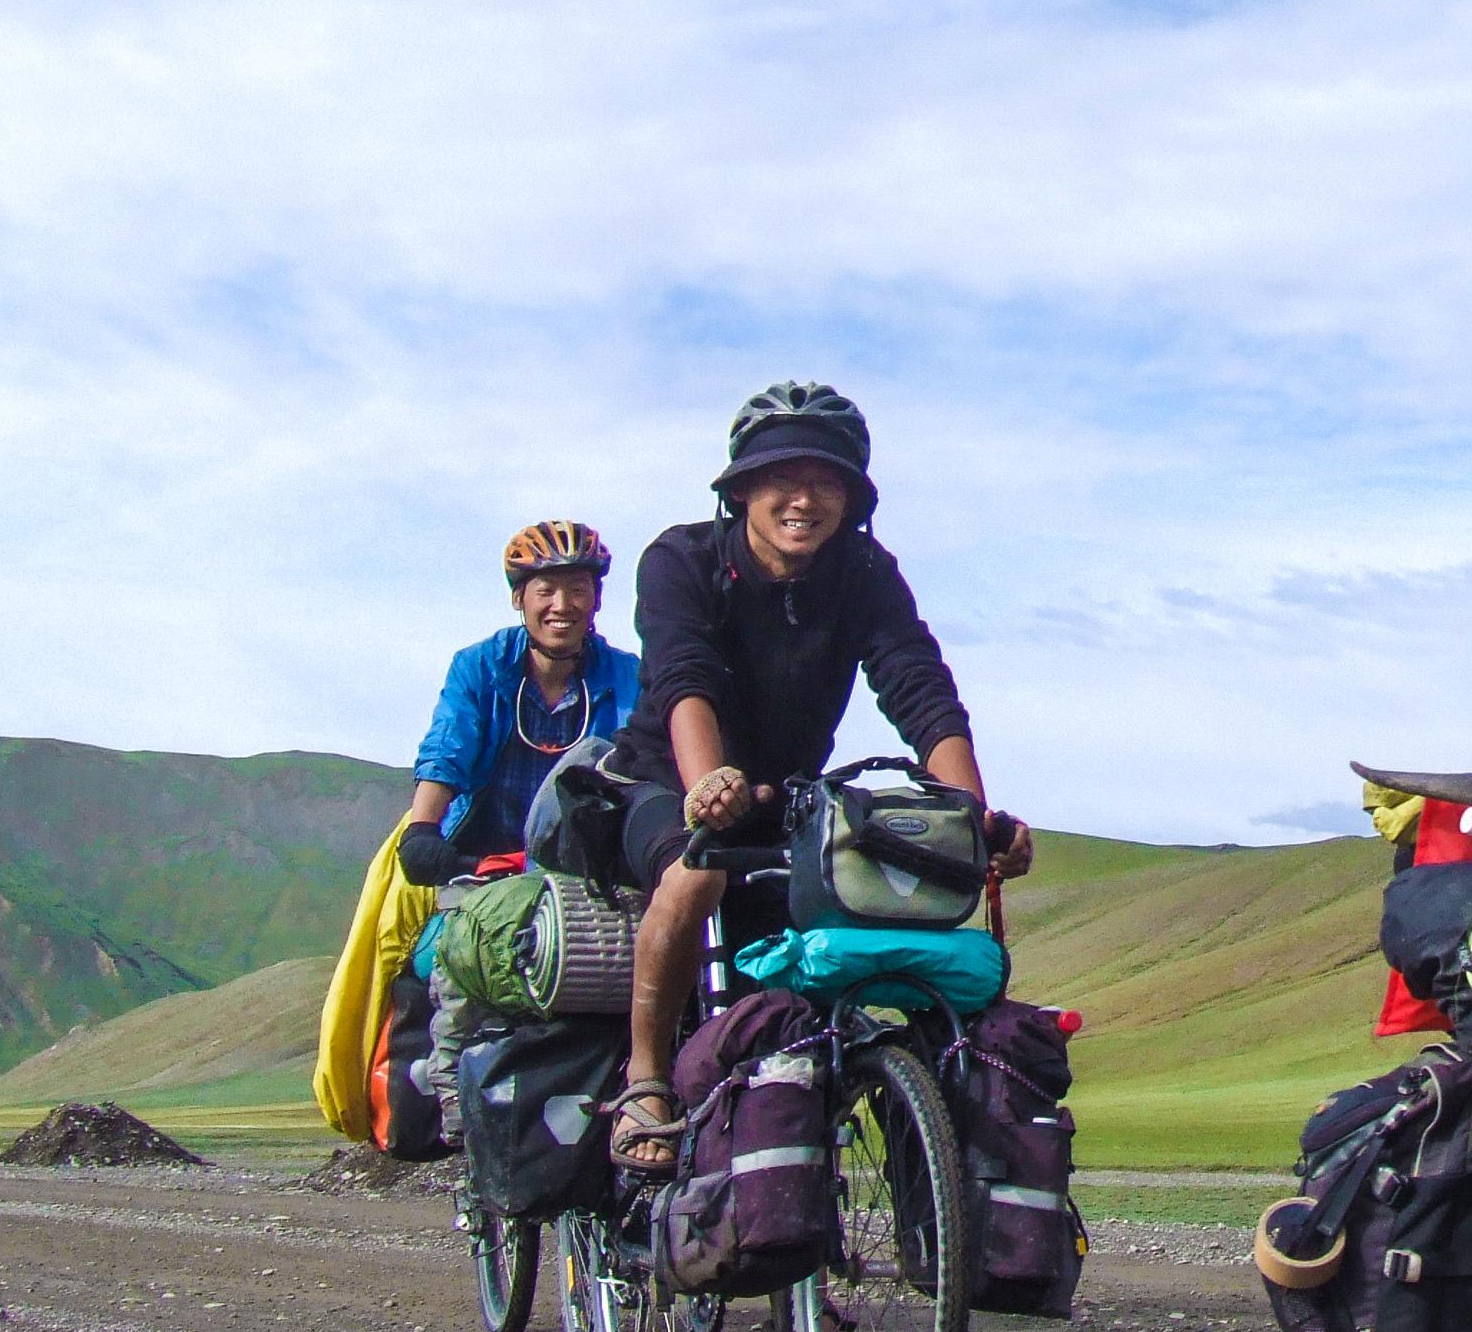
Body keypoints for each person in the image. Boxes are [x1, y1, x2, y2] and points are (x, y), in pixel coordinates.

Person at [604, 383, 1032, 1174]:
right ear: (741, 491)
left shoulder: (863, 571)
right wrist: (705, 788)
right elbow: (682, 677)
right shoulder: (680, 559)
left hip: (784, 803)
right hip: (665, 780)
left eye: (827, 482)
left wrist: (971, 816)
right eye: (782, 479)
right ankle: (646, 1083)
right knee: (695, 877)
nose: (804, 499)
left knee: (821, 966)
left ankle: (796, 1221)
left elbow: (918, 687)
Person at [397, 522, 645, 886]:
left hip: (585, 866)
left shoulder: (628, 676)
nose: (561, 606)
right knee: (434, 943)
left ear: (597, 599)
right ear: (518, 599)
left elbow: (645, 759)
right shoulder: (479, 666)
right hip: (476, 862)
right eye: (545, 591)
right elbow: (447, 750)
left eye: (577, 590)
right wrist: (422, 830)